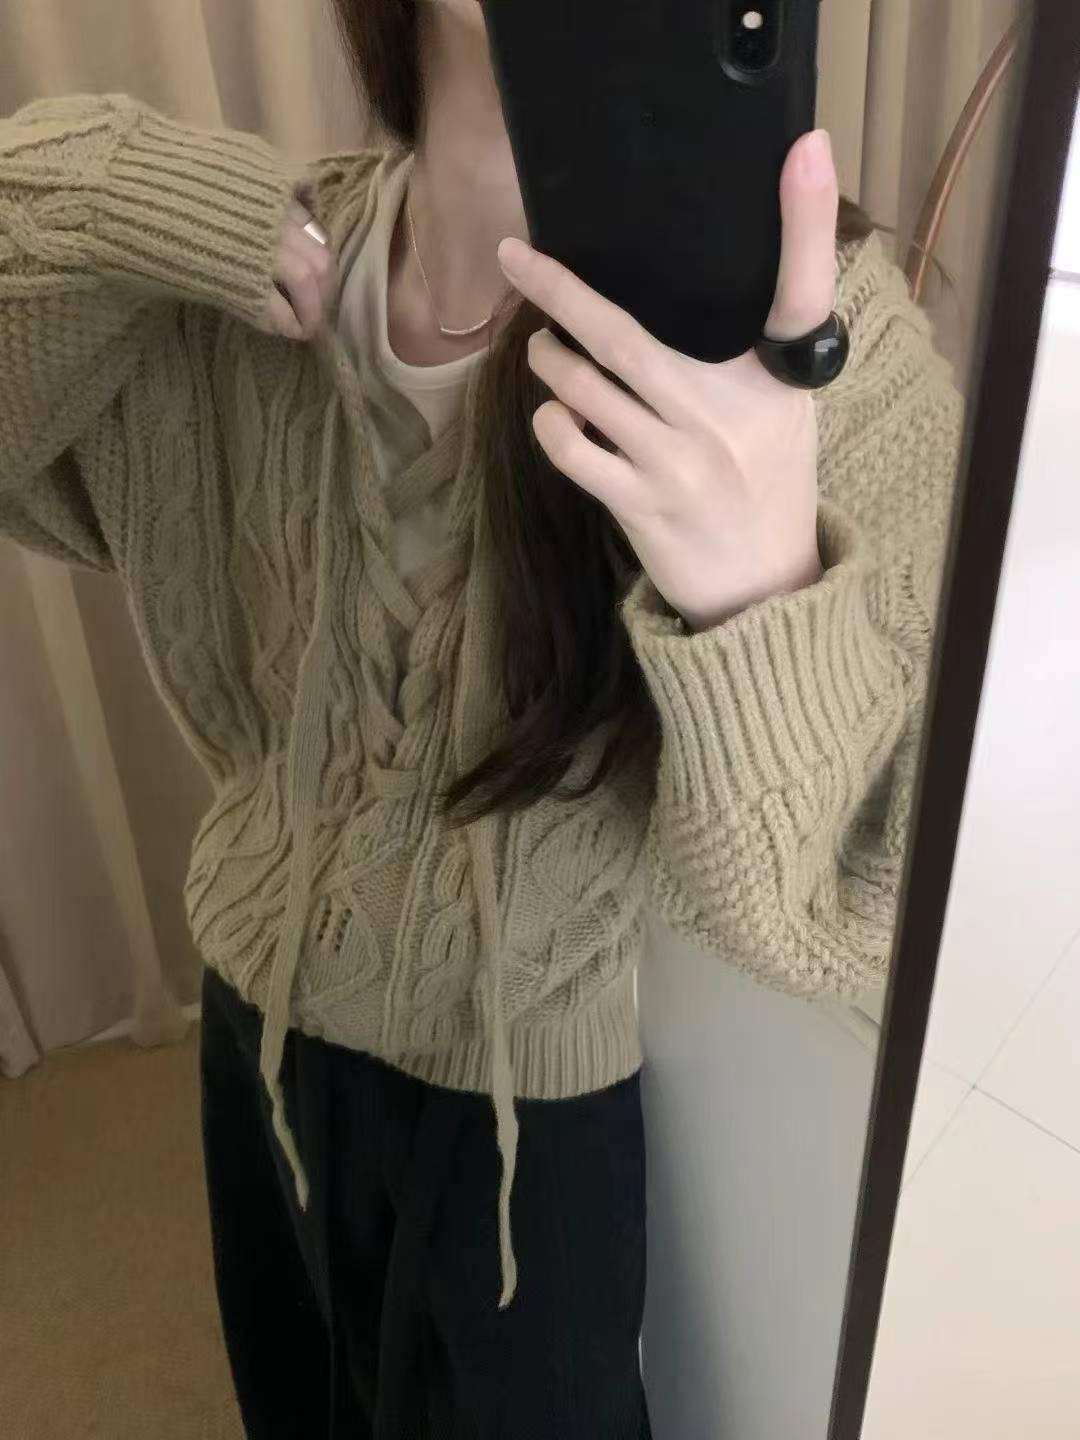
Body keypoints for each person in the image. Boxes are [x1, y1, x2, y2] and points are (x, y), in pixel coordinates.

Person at [0, 1, 962, 1435]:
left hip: (534, 1129)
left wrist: (765, 597)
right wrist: (112, 183)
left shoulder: (824, 349)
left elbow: (860, 907)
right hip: (259, 1036)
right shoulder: (239, 266)